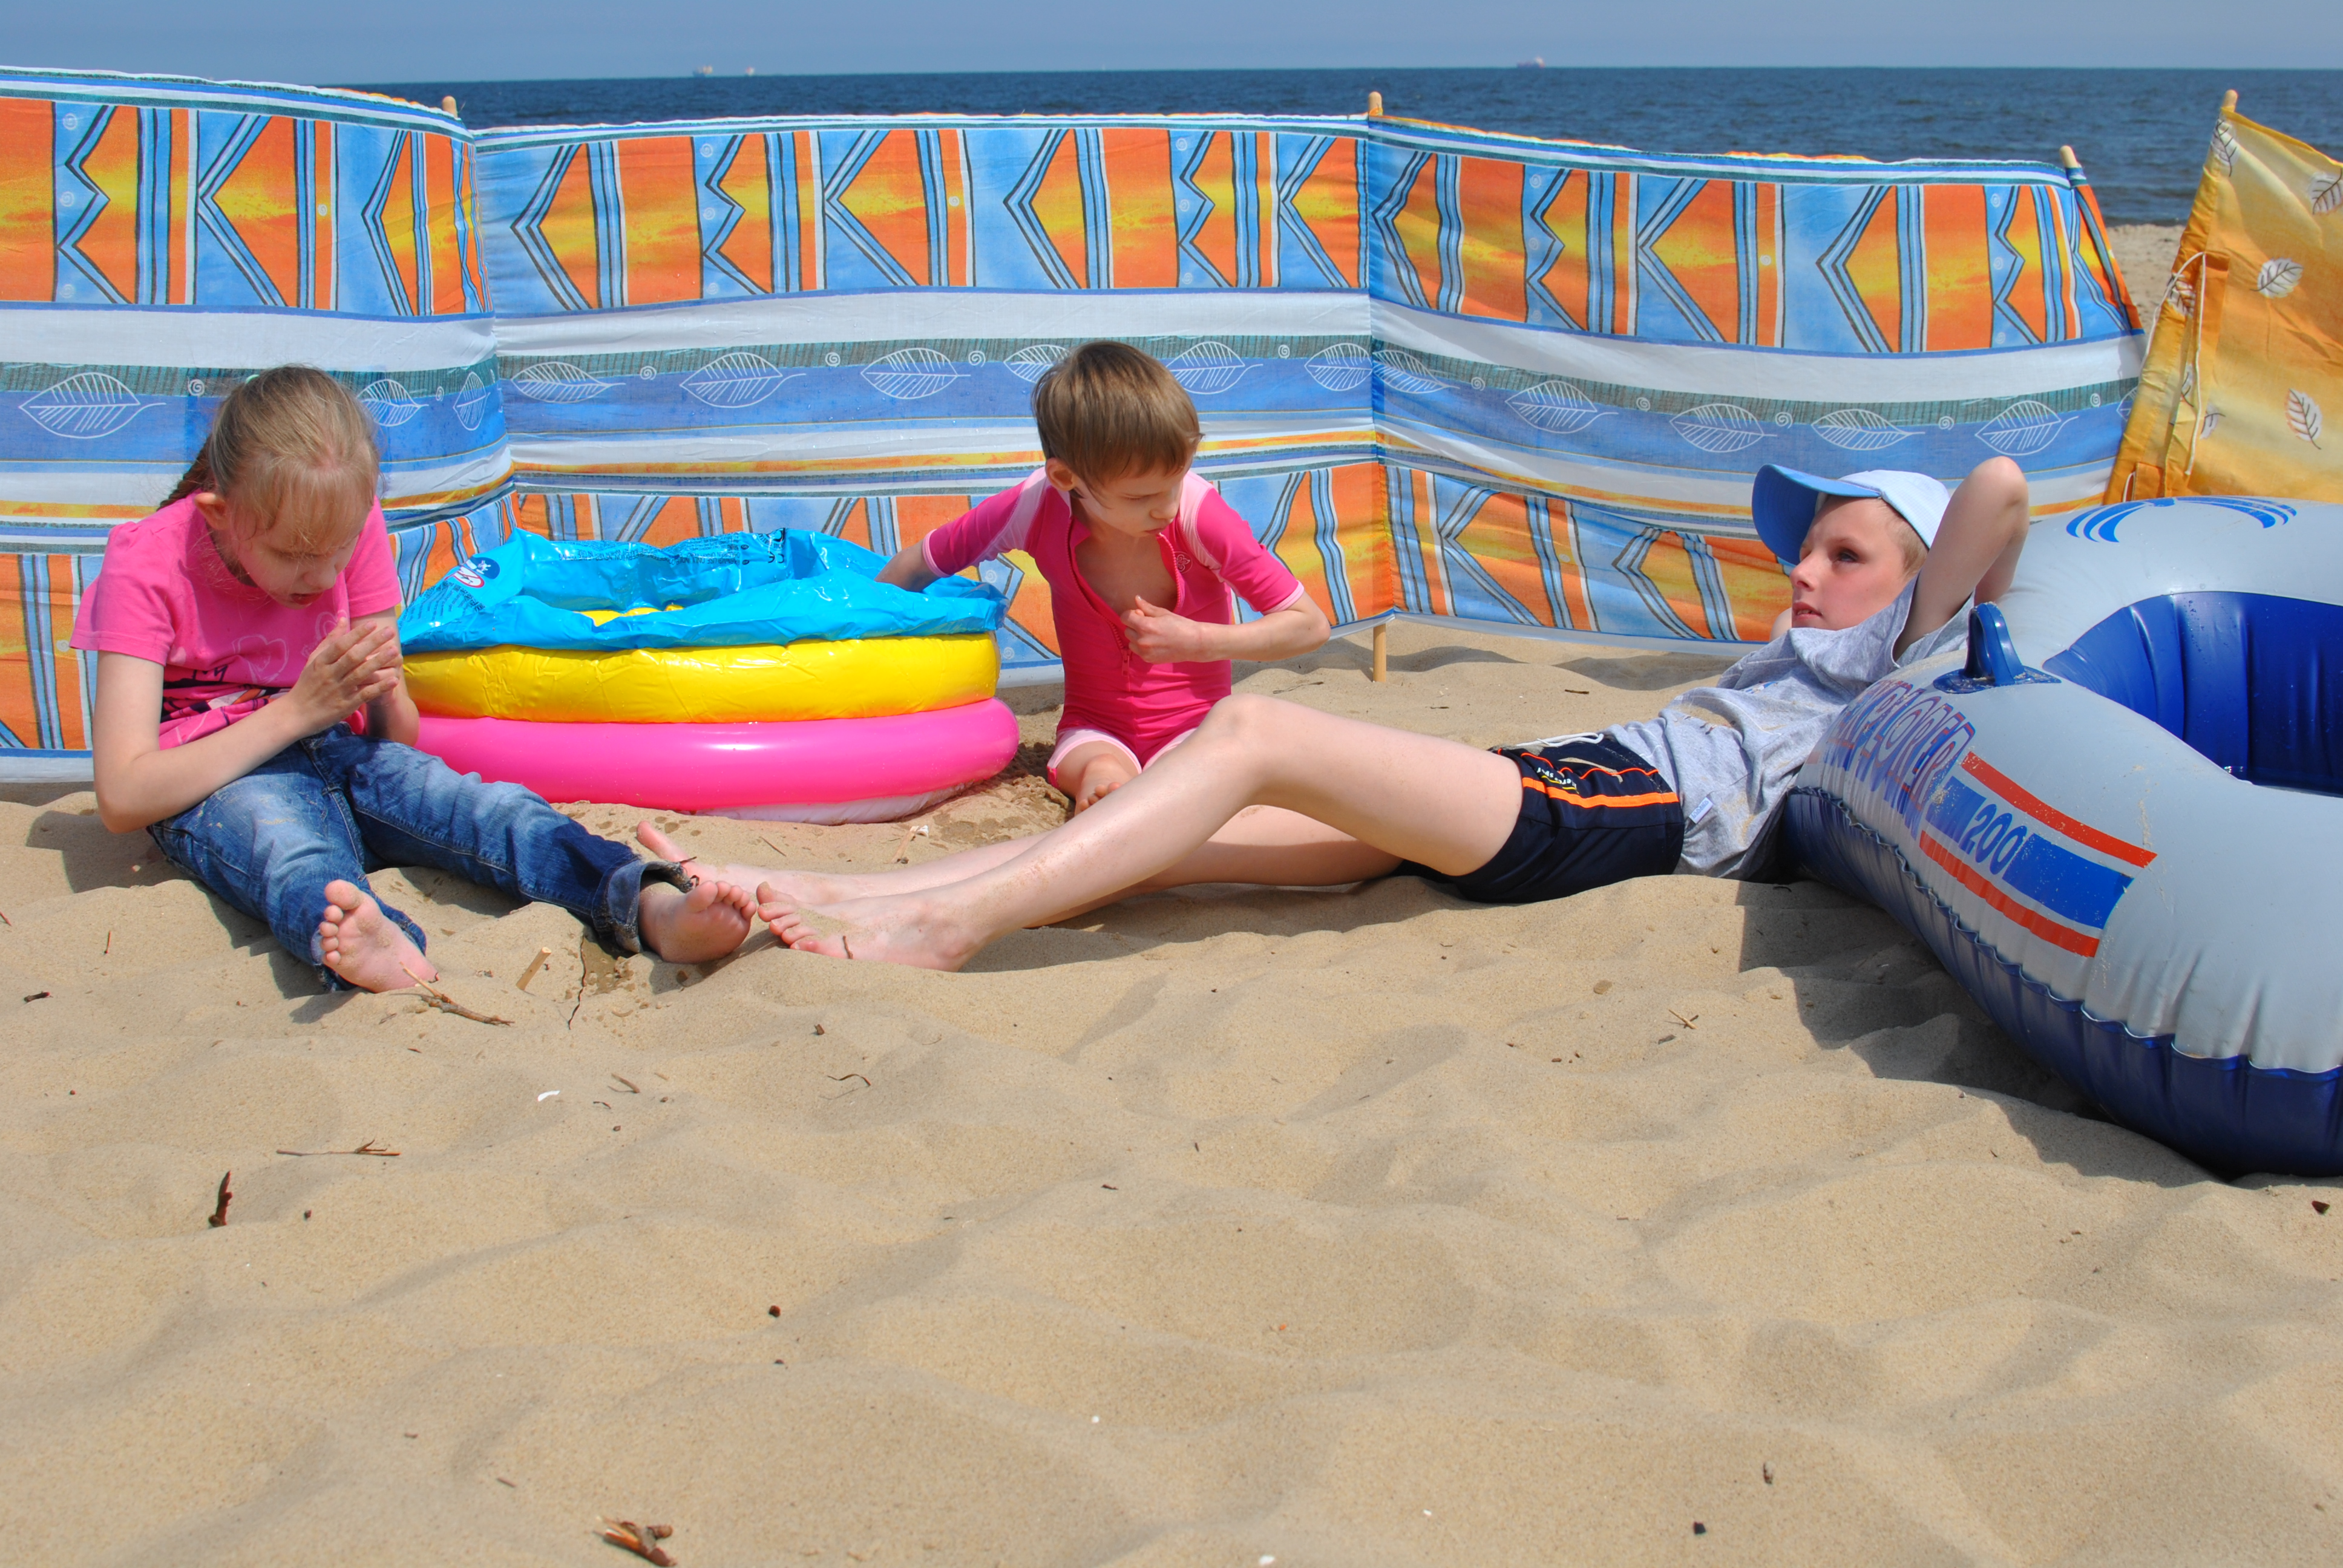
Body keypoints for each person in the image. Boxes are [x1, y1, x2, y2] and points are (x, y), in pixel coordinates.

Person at [649, 456, 2030, 973]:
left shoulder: (1904, 649)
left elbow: (2004, 490)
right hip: (1569, 779)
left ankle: (948, 930)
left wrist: (1944, 596)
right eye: (1808, 547)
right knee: (1168, 836)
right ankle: (827, 891)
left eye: (1844, 551)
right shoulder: (1806, 649)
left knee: (1256, 733)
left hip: (1631, 812)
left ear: (1920, 584)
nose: (1804, 571)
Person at [75, 366, 756, 993]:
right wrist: (295, 712)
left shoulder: (344, 516)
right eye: (293, 554)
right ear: (219, 513)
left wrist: (376, 690)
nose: (321, 575)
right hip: (217, 776)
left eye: (337, 551)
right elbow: (123, 796)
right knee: (291, 849)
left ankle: (648, 902)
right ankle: (380, 945)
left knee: (481, 807)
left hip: (335, 745)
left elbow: (396, 736)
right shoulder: (149, 562)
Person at [875, 341, 1331, 811]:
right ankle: (1107, 790)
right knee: (1098, 767)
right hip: (1094, 729)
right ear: (1066, 478)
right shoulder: (1033, 508)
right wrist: (862, 635)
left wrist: (1200, 641)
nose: (1166, 507)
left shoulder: (1198, 516)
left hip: (1196, 729)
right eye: (1139, 497)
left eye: (1176, 481)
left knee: (1187, 773)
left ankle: (1130, 801)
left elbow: (1309, 626)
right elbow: (918, 564)